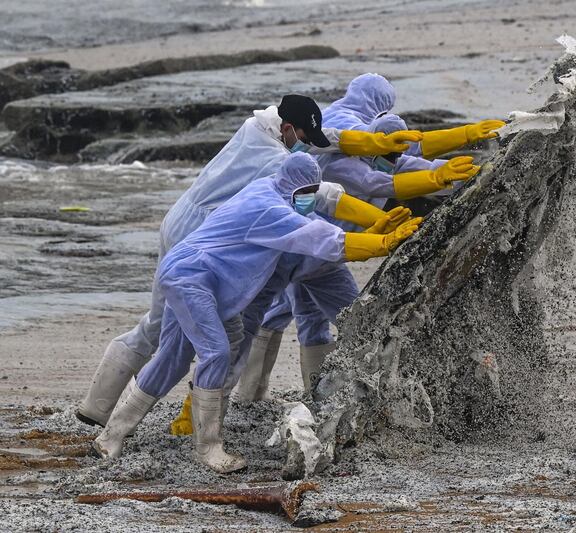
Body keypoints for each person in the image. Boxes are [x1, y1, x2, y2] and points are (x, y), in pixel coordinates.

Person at [77, 94, 423, 428]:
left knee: (159, 324)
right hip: (199, 237)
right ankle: (184, 417)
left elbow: (327, 140)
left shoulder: (255, 127)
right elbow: (323, 198)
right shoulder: (273, 162)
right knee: (197, 334)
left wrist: (374, 145)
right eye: (303, 136)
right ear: (287, 128)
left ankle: (98, 408)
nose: (307, 144)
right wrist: (376, 229)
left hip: (182, 219)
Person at [92, 153, 422, 473]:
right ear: (294, 188)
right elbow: (318, 236)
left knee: (173, 358)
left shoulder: (269, 186)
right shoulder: (269, 210)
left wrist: (373, 228)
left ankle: (111, 436)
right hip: (192, 277)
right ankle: (208, 447)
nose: (309, 199)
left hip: (183, 269)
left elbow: (318, 211)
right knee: (217, 352)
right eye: (305, 193)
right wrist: (382, 243)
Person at [233, 74, 503, 402]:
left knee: (291, 315)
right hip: (316, 245)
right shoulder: (350, 132)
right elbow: (377, 178)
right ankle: (322, 398)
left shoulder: (359, 122)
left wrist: (474, 172)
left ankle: (269, 399)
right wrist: (441, 170)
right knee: (353, 321)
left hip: (309, 246)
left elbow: (400, 155)